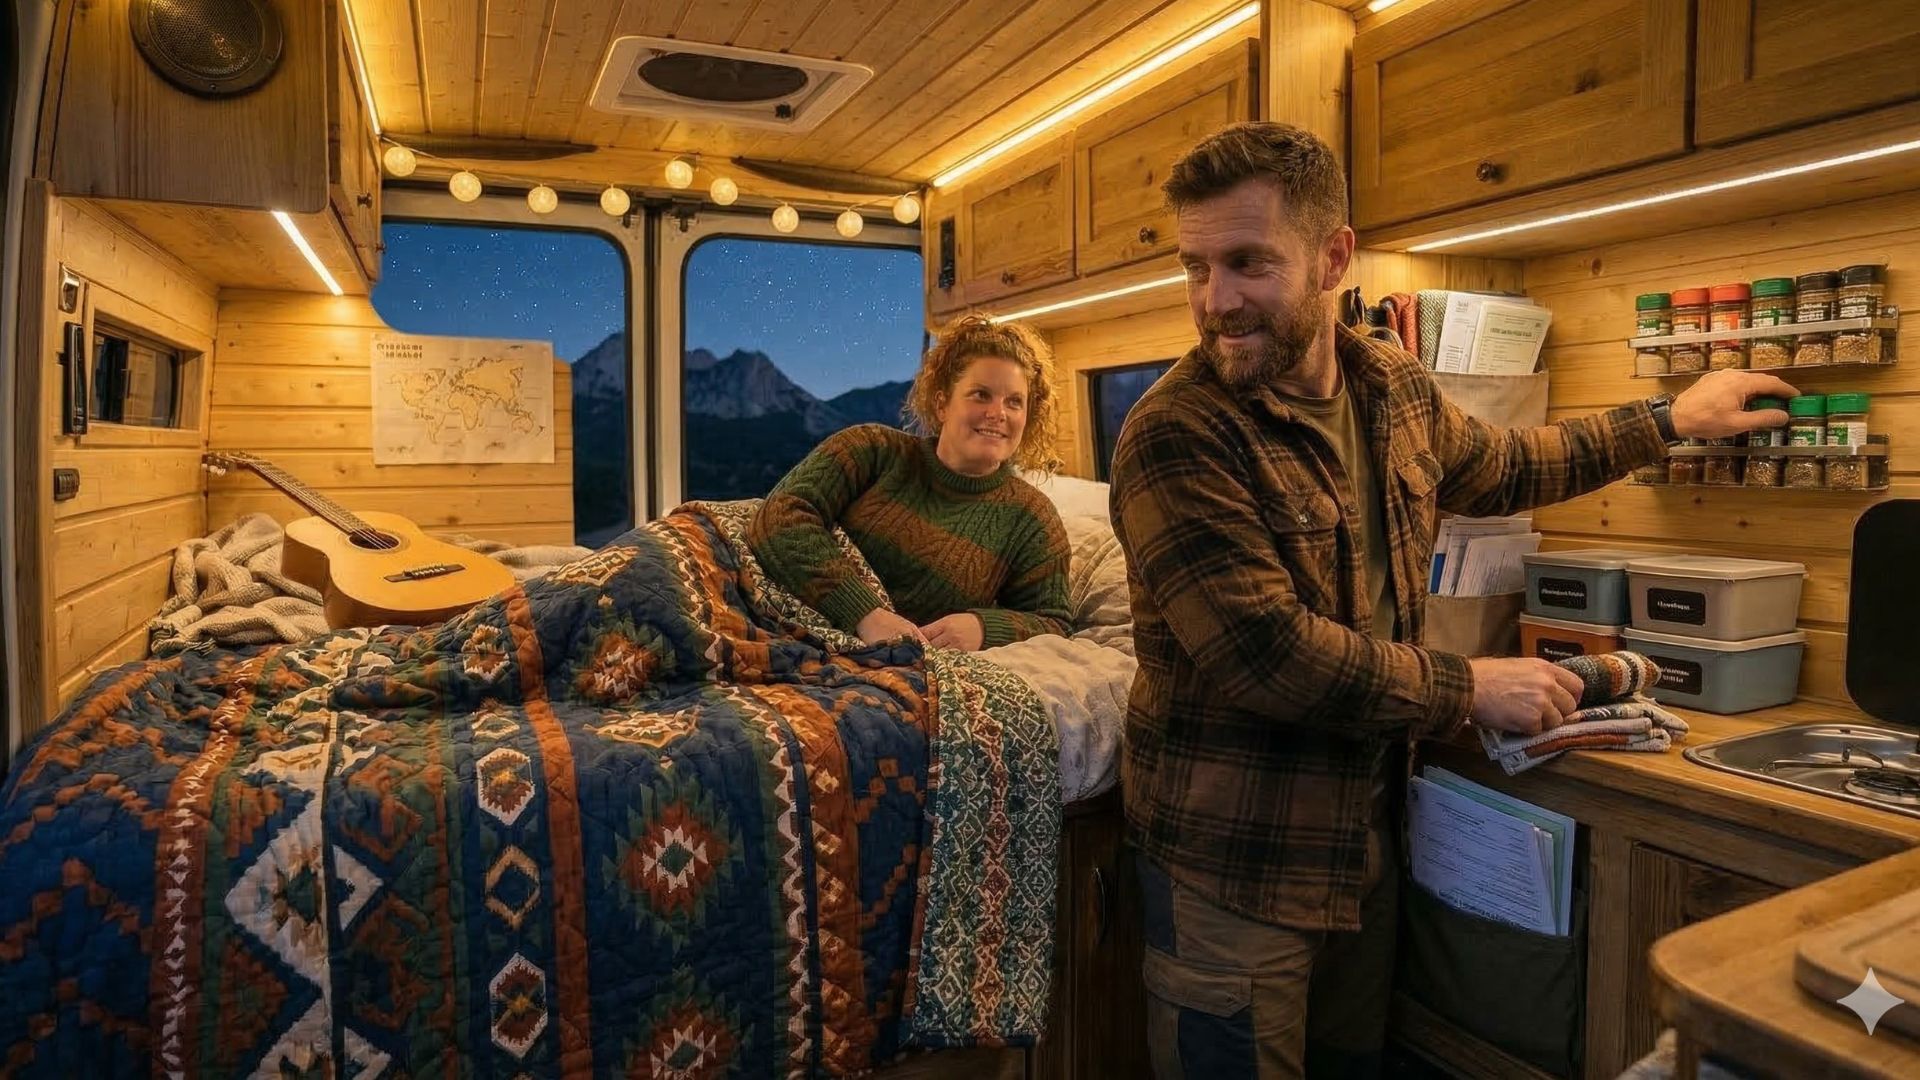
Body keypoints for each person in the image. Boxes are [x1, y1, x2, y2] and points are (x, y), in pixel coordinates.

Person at [1107, 121, 1796, 1080]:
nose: (1214, 301)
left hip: (1362, 843)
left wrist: (1667, 418)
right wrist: (1467, 686)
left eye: (1248, 263)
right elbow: (1265, 654)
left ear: (1332, 258)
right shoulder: (1172, 432)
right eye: (1195, 268)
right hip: (1235, 864)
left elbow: (1508, 464)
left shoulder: (1386, 382)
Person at [747, 315, 1072, 652]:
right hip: (770, 613)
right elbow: (780, 515)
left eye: (1014, 402)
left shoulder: (1032, 519)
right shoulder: (872, 449)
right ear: (942, 404)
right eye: (981, 395)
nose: (998, 413)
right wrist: (866, 614)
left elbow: (1053, 622)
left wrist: (982, 628)